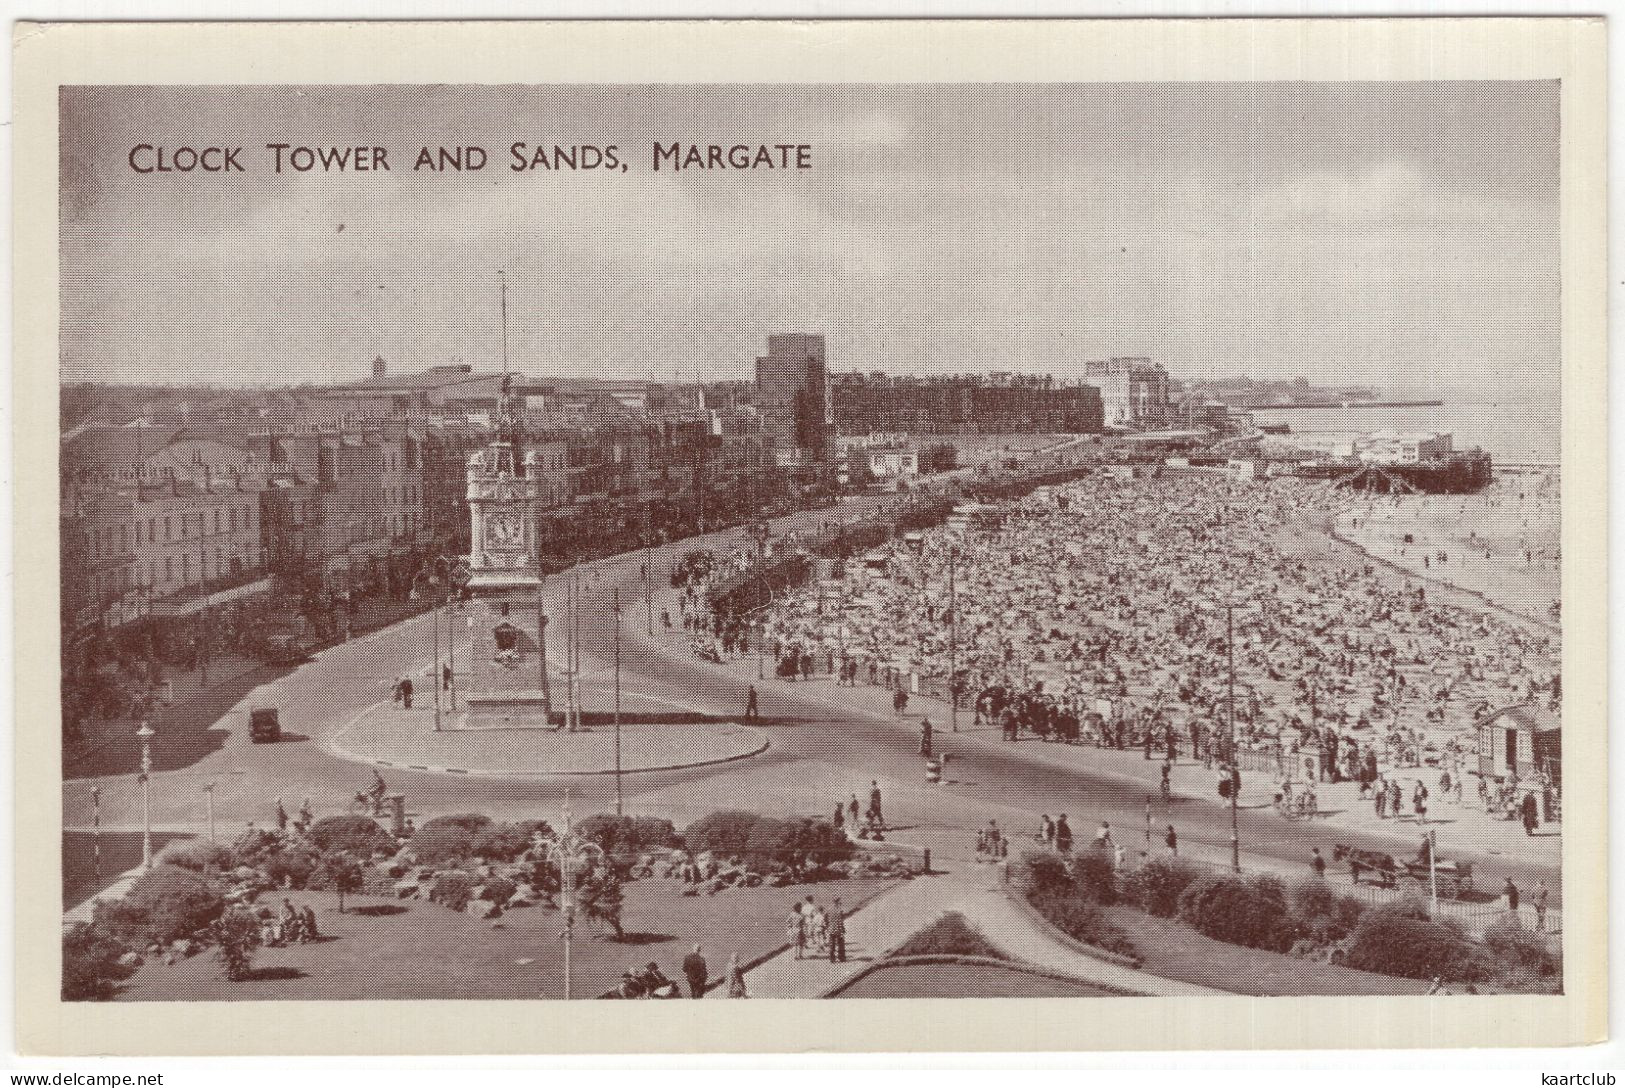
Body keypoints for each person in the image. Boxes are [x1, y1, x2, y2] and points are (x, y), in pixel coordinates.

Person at [826, 897, 847, 962]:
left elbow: (825, 919)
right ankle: (841, 957)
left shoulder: (829, 909)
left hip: (831, 928)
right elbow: (841, 920)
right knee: (841, 943)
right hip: (838, 928)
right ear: (838, 901)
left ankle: (832, 958)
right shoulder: (840, 910)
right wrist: (843, 928)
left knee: (832, 944)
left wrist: (828, 926)